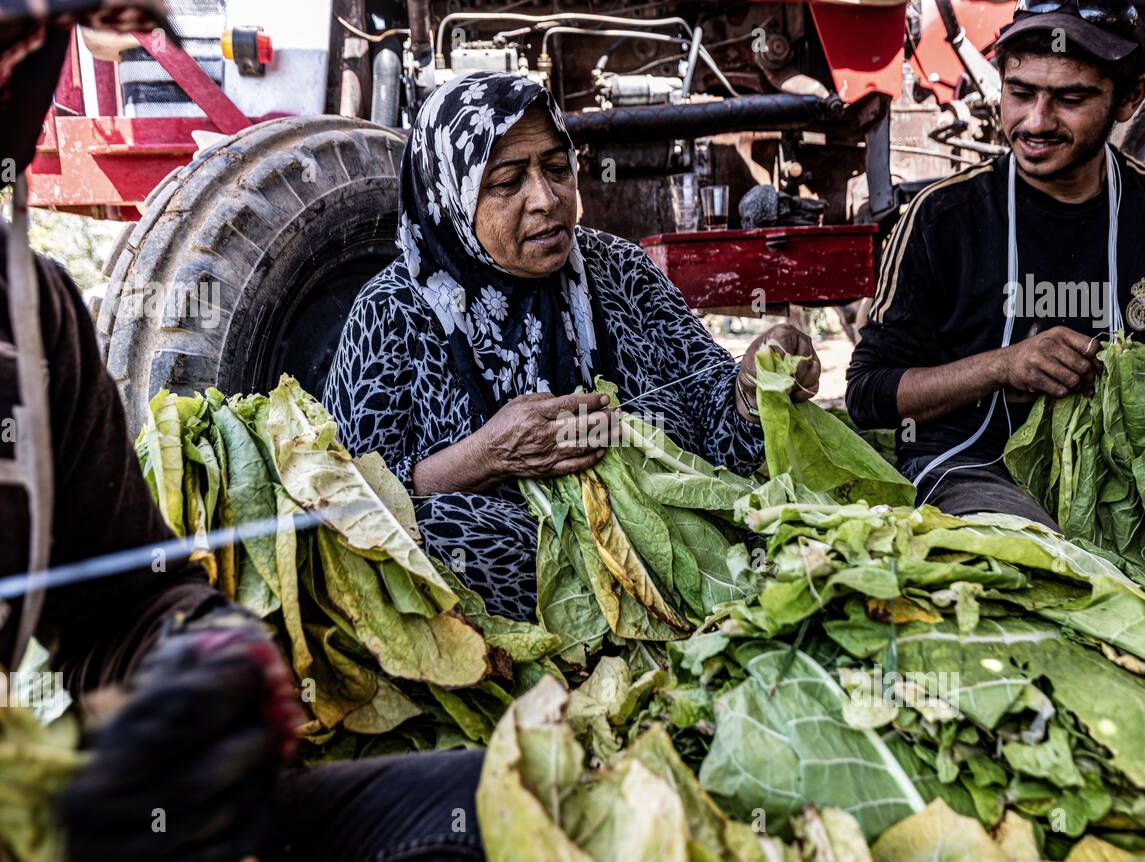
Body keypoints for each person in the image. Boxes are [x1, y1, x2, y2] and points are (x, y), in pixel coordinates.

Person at [0, 0, 481, 862]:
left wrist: (201, 653)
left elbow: (120, 600)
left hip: (57, 853)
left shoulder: (10, 298)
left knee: (471, 812)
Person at [325, 71, 821, 621]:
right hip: (498, 588)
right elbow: (347, 499)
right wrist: (487, 455)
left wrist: (755, 388)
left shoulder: (621, 272)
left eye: (558, 169)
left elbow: (718, 421)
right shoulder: (390, 312)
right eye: (508, 181)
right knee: (436, 539)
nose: (546, 199)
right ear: (450, 193)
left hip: (663, 559)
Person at [846, 1, 1145, 534]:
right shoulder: (944, 217)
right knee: (1039, 561)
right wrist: (1001, 365)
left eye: (1070, 98)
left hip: (1133, 480)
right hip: (976, 470)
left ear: (1130, 97)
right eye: (1020, 93)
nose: (1035, 123)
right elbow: (868, 393)